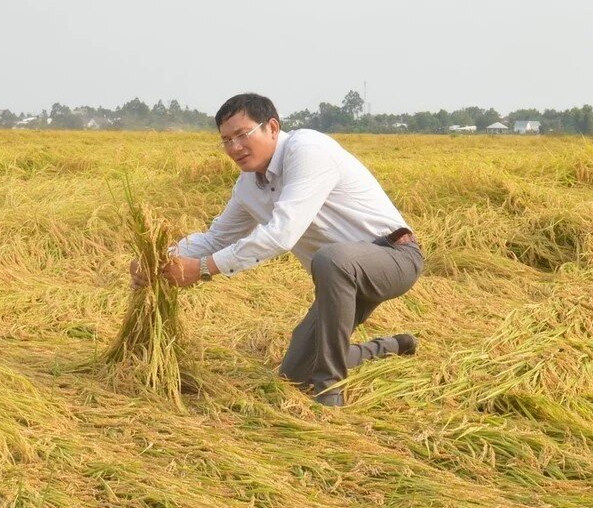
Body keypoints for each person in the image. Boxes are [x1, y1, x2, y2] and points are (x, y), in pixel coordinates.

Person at [131, 93, 422, 407]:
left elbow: (282, 233)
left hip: (394, 257)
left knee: (331, 259)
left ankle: (329, 392)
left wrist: (202, 269)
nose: (234, 148)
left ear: (272, 127)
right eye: (226, 140)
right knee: (294, 374)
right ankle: (388, 347)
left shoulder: (307, 149)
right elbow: (216, 239)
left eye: (242, 135)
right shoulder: (248, 186)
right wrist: (158, 259)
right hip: (337, 281)